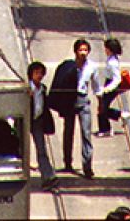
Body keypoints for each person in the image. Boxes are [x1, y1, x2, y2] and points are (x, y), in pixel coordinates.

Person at [47, 38, 95, 179]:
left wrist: (101, 102)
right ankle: (67, 162)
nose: (83, 53)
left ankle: (87, 166)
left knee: (86, 133)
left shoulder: (91, 67)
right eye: (80, 50)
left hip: (83, 100)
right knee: (68, 131)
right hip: (69, 101)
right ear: (75, 52)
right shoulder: (68, 66)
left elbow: (96, 86)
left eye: (85, 50)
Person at [27, 60, 56, 189]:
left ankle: (47, 177)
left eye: (41, 73)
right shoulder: (26, 89)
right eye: (36, 73)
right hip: (25, 122)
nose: (39, 75)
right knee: (20, 150)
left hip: (37, 121)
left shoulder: (42, 89)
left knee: (42, 150)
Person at [93, 35, 129, 137]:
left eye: (106, 48)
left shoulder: (113, 62)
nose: (105, 50)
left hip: (111, 85)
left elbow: (117, 79)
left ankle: (106, 129)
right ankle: (119, 116)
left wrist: (107, 89)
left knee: (102, 108)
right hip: (108, 83)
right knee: (102, 108)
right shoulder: (111, 59)